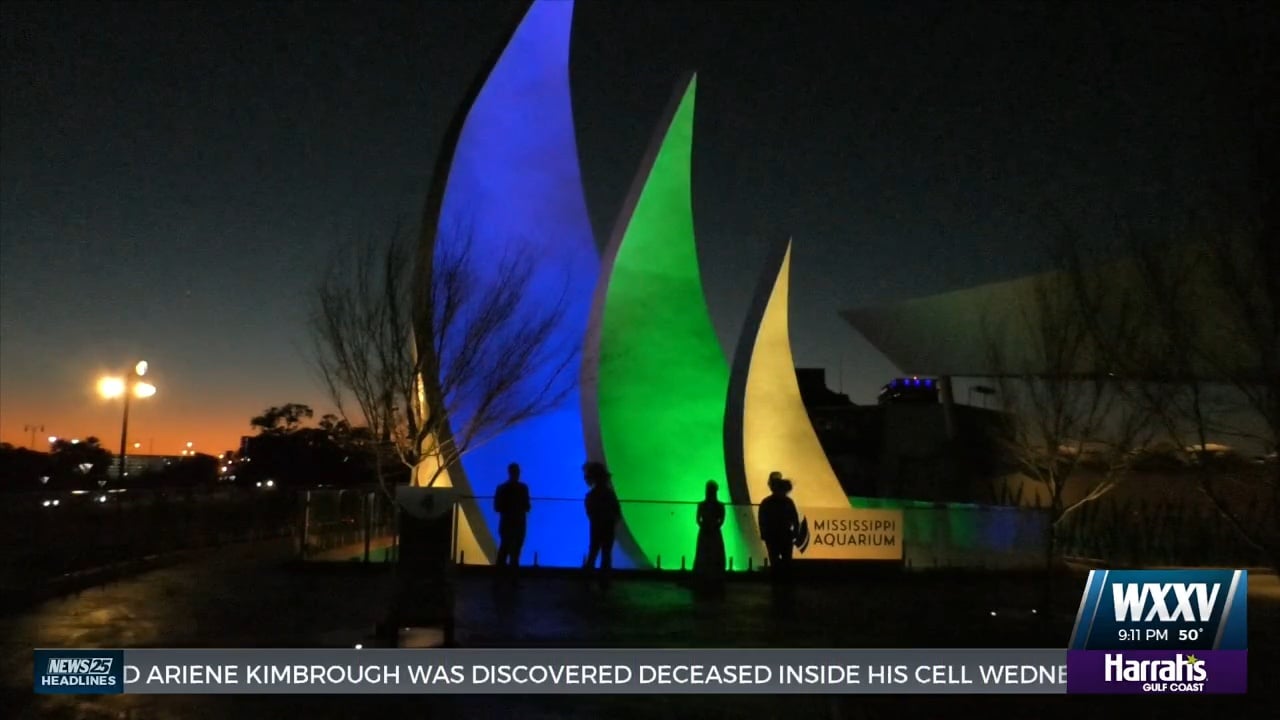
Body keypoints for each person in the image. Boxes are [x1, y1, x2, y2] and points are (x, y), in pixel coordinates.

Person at [758, 471, 799, 581]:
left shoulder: (766, 502)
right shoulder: (788, 502)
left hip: (772, 536)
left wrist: (764, 534)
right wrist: (795, 532)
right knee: (786, 562)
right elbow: (795, 519)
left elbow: (762, 520)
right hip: (785, 535)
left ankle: (777, 585)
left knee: (775, 562)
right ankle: (786, 586)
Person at [583, 461, 621, 572]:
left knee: (593, 552)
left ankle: (588, 577)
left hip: (596, 526)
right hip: (608, 526)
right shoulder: (609, 494)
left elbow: (589, 511)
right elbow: (617, 511)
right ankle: (604, 581)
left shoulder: (592, 495)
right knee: (606, 554)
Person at [493, 463, 531, 568]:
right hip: (519, 525)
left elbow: (497, 507)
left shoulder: (501, 488)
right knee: (515, 554)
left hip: (506, 525)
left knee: (504, 552)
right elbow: (527, 507)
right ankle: (513, 580)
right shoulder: (523, 488)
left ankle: (499, 580)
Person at [694, 480, 726, 578]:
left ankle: (702, 575)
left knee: (703, 554)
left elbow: (698, 520)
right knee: (715, 554)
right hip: (714, 532)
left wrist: (705, 526)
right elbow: (722, 520)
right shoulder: (720, 505)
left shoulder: (702, 505)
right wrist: (714, 526)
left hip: (705, 531)